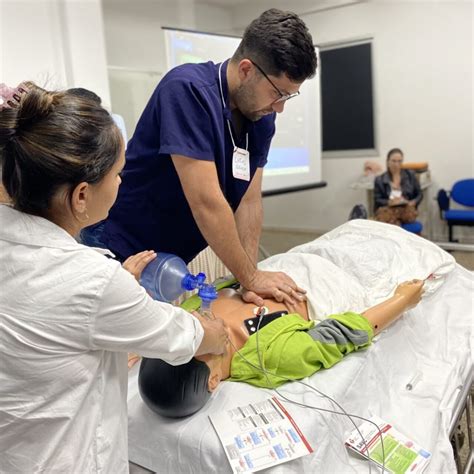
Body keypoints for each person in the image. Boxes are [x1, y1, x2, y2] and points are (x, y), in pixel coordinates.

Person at [0, 82, 228, 473]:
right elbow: (183, 337)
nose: (122, 183)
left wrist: (114, 292)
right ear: (82, 196)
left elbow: (55, 318)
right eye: (119, 173)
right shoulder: (93, 280)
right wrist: (216, 332)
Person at [82, 9, 317, 308]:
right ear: (246, 69)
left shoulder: (261, 118)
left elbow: (249, 201)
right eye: (277, 93)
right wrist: (251, 277)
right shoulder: (187, 90)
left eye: (288, 97)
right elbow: (206, 202)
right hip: (118, 241)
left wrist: (247, 279)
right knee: (114, 346)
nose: (279, 108)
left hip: (169, 256)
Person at [138, 278, 424, 417]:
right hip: (317, 284)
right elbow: (349, 332)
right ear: (214, 380)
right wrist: (403, 299)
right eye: (195, 342)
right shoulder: (273, 356)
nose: (194, 324)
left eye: (183, 328)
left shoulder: (188, 316)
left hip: (266, 273)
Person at [374, 148, 423, 225]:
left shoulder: (411, 175)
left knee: (408, 214)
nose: (396, 164)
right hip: (388, 209)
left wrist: (413, 202)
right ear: (388, 162)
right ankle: (396, 224)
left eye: (399, 161)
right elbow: (377, 199)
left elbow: (419, 194)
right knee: (388, 220)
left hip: (406, 208)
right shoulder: (379, 179)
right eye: (393, 161)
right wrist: (389, 202)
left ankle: (397, 223)